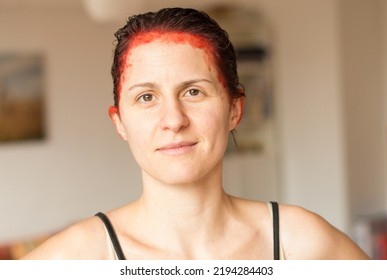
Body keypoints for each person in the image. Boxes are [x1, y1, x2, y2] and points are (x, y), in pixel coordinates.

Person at [22, 7, 369, 260]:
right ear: (120, 123)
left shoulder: (303, 244)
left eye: (193, 92)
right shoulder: (70, 261)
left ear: (234, 110)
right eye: (146, 97)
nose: (174, 120)